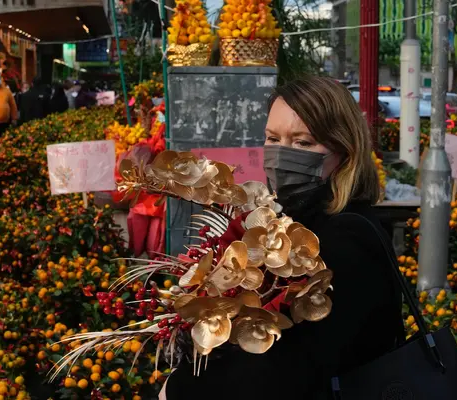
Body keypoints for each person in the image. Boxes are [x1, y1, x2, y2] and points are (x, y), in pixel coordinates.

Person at [161, 76, 404, 399]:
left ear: (344, 150)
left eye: (302, 143)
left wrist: (181, 390)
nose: (281, 155)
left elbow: (287, 370)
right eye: (272, 139)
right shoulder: (288, 224)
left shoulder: (345, 241)